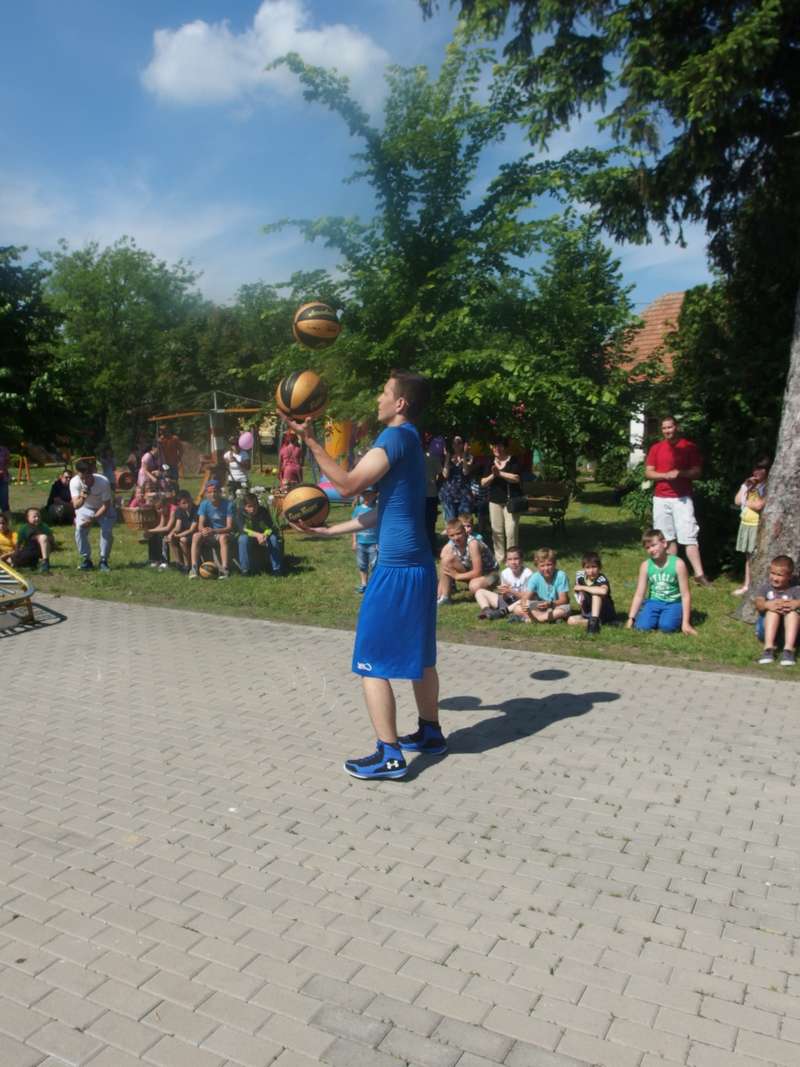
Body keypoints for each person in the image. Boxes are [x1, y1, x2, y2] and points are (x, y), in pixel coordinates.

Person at [286, 370, 444, 781]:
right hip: (419, 565)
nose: (378, 398)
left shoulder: (394, 437)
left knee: (371, 662)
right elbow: (384, 512)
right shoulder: (412, 439)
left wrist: (311, 441)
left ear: (400, 403)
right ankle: (430, 732)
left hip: (396, 570)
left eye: (383, 391)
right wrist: (330, 531)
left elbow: (349, 485)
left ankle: (389, 756)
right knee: (421, 656)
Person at [645, 416, 712, 586]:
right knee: (666, 537)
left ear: (676, 427)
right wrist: (665, 475)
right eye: (664, 428)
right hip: (661, 498)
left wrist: (680, 473)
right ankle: (672, 572)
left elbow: (697, 472)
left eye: (670, 427)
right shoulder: (656, 448)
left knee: (689, 535)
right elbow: (649, 472)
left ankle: (699, 574)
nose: (667, 431)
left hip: (682, 498)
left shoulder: (689, 447)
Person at [625, 528, 697, 635]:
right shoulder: (645, 566)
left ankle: (677, 615)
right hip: (653, 602)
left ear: (664, 543)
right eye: (647, 547)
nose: (651, 549)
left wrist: (685, 623)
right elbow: (639, 594)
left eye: (654, 545)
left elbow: (685, 595)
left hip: (673, 603)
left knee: (667, 627)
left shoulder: (678, 564)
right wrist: (631, 618)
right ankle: (647, 612)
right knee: (642, 627)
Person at [481, 436, 523, 566]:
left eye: (499, 446)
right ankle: (499, 558)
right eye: (494, 446)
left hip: (511, 501)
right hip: (494, 501)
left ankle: (512, 558)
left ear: (504, 447)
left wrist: (499, 473)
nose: (496, 449)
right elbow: (483, 482)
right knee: (496, 531)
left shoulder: (513, 460)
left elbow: (516, 478)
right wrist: (493, 475)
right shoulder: (489, 462)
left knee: (511, 531)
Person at [437, 519, 498, 606]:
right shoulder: (452, 543)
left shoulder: (472, 543)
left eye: (458, 533)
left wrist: (457, 576)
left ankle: (490, 588)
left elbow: (478, 572)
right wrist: (440, 591)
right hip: (471, 572)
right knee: (446, 560)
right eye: (452, 535)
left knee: (474, 586)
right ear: (448, 536)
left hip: (490, 574)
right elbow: (443, 561)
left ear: (464, 531)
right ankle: (445, 598)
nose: (456, 538)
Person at [754, 555, 799, 667]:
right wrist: (767, 604)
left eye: (779, 575)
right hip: (765, 631)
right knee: (772, 612)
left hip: (790, 632)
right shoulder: (766, 588)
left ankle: (788, 650)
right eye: (772, 573)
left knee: (793, 613)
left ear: (789, 576)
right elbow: (758, 603)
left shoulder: (796, 589)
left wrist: (796, 603)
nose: (774, 578)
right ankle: (768, 649)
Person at [733, 458, 769, 596]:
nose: (756, 472)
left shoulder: (767, 486)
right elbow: (737, 500)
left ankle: (756, 585)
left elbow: (759, 505)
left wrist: (745, 501)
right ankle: (747, 585)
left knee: (756, 555)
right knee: (748, 556)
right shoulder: (750, 485)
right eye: (755, 468)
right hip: (746, 523)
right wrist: (745, 486)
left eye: (760, 469)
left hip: (756, 525)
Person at [70, 460, 114, 571]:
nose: (84, 481)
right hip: (85, 508)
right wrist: (83, 496)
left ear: (92, 473)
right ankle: (86, 560)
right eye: (82, 478)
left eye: (87, 477)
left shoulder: (103, 482)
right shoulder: (74, 482)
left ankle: (103, 560)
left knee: (107, 531)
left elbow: (106, 505)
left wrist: (93, 519)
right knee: (80, 529)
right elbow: (76, 505)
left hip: (103, 507)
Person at [509, 547, 571, 623]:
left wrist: (550, 604)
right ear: (537, 566)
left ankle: (530, 620)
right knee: (517, 608)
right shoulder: (535, 577)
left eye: (549, 565)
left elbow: (564, 600)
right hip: (542, 605)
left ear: (554, 564)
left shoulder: (561, 575)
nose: (546, 568)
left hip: (557, 605)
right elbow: (525, 598)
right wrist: (525, 606)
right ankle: (549, 618)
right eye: (542, 565)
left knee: (563, 611)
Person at [189, 481, 234, 579]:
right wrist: (204, 531)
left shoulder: (228, 504)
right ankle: (194, 568)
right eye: (209, 492)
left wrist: (214, 531)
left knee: (223, 538)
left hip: (223, 532)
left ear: (220, 492)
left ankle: (224, 569)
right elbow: (200, 525)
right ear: (206, 494)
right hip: (210, 533)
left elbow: (229, 527)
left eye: (215, 491)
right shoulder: (204, 504)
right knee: (196, 536)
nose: (212, 494)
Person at [474, 544, 532, 619]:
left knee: (524, 604)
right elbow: (504, 596)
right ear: (506, 561)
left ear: (522, 560)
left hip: (520, 603)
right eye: (510, 559)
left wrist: (511, 591)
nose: (513, 562)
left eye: (516, 559)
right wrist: (504, 593)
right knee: (479, 592)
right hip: (507, 601)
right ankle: (487, 610)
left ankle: (500, 613)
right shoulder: (505, 573)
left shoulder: (528, 574)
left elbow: (528, 597)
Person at [568, 551, 616, 633]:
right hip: (588, 611)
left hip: (604, 611)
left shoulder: (601, 578)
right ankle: (595, 622)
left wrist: (582, 587)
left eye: (594, 567)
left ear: (599, 567)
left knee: (596, 594)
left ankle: (594, 625)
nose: (591, 571)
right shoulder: (580, 577)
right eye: (588, 567)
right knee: (571, 620)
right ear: (584, 568)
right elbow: (577, 592)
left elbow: (603, 591)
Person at [237, 492, 283, 576]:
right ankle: (245, 570)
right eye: (249, 506)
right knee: (242, 539)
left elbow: (270, 527)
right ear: (245, 507)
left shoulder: (263, 511)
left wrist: (264, 535)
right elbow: (242, 529)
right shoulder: (241, 513)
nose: (253, 509)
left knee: (273, 539)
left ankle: (276, 569)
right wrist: (258, 535)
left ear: (258, 504)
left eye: (255, 505)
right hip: (250, 536)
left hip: (264, 536)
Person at [439, 435, 474, 522]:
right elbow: (445, 475)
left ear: (463, 444)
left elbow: (466, 472)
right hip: (448, 495)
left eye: (459, 443)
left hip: (464, 495)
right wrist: (447, 458)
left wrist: (464, 456)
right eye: (454, 443)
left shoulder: (469, 457)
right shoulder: (447, 457)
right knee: (451, 523)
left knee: (464, 522)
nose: (456, 445)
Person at [351, 488, 379, 592]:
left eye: (370, 494)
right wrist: (354, 541)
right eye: (365, 494)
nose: (367, 496)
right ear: (362, 495)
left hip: (373, 543)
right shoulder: (358, 510)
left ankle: (375, 585)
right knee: (362, 564)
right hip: (361, 543)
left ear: (374, 495)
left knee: (375, 565)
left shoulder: (377, 509)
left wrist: (379, 542)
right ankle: (364, 584)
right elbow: (353, 527)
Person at [163, 490, 198, 571]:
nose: (187, 504)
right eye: (184, 503)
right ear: (179, 504)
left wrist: (179, 535)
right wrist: (171, 534)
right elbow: (178, 527)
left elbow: (192, 529)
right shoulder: (179, 510)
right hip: (185, 533)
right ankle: (179, 562)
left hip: (194, 533)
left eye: (189, 501)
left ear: (191, 499)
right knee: (171, 539)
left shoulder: (196, 510)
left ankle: (188, 564)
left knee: (183, 540)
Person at [12, 508, 53, 575]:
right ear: (27, 518)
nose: (37, 518)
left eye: (39, 516)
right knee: (15, 559)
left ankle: (45, 563)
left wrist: (42, 538)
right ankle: (31, 564)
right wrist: (16, 553)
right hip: (28, 550)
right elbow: (19, 543)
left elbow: (51, 539)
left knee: (43, 537)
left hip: (40, 550)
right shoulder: (24, 528)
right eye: (34, 517)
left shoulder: (44, 527)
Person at [144, 493, 178, 569]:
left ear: (166, 504)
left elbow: (168, 527)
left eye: (161, 508)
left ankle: (165, 561)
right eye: (158, 509)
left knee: (163, 538)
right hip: (169, 530)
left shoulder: (173, 510)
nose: (160, 510)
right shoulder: (163, 511)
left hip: (177, 530)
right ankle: (154, 559)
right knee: (153, 536)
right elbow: (161, 525)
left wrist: (150, 531)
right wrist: (149, 532)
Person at [422, 435, 442, 557]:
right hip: (428, 495)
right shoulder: (433, 458)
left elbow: (440, 474)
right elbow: (440, 475)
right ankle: (430, 549)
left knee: (426, 524)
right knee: (429, 524)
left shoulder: (416, 457)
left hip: (426, 495)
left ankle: (429, 549)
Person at [0, 443, 10, 518]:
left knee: (4, 501)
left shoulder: (4, 450)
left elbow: (7, 462)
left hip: (3, 478)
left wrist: (4, 470)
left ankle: (7, 520)